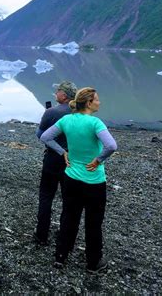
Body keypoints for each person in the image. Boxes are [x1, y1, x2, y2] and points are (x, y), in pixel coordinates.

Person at [40, 87, 117, 274]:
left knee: (69, 217)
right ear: (89, 103)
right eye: (97, 99)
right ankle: (93, 262)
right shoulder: (95, 123)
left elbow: (45, 137)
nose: (99, 102)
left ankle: (60, 256)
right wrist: (98, 160)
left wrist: (62, 152)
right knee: (93, 222)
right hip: (94, 181)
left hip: (71, 178)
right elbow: (111, 146)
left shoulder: (67, 120)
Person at [33, 81, 77, 246]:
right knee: (69, 199)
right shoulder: (79, 112)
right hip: (72, 161)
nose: (55, 94)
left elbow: (40, 134)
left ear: (64, 95)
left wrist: (47, 118)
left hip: (52, 158)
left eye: (58, 91)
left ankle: (41, 234)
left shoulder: (52, 112)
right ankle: (64, 235)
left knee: (46, 196)